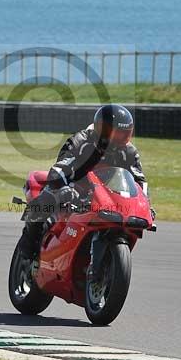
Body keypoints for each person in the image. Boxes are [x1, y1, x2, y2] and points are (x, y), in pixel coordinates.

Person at [18, 104, 147, 258]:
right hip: (74, 187)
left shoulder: (129, 152)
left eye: (122, 134)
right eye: (113, 134)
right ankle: (28, 242)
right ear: (100, 129)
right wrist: (62, 187)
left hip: (106, 195)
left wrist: (144, 203)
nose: (117, 138)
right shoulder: (81, 141)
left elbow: (138, 181)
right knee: (49, 197)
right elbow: (61, 167)